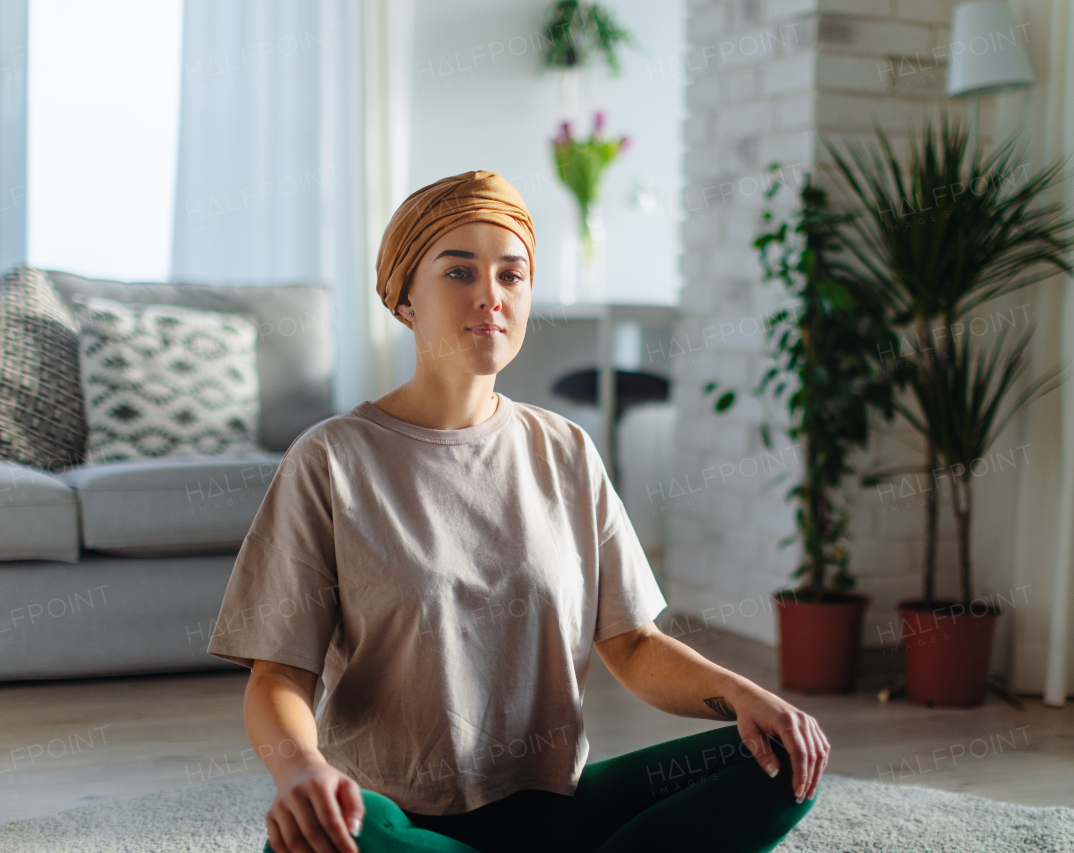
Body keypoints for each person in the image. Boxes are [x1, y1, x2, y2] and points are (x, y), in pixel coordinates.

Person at [206, 170, 827, 853]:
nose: (490, 297)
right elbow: (278, 676)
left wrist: (744, 694)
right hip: (402, 822)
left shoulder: (565, 450)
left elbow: (634, 645)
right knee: (328, 835)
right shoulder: (332, 459)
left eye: (512, 274)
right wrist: (302, 771)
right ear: (404, 295)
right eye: (459, 272)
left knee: (776, 758)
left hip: (553, 810)